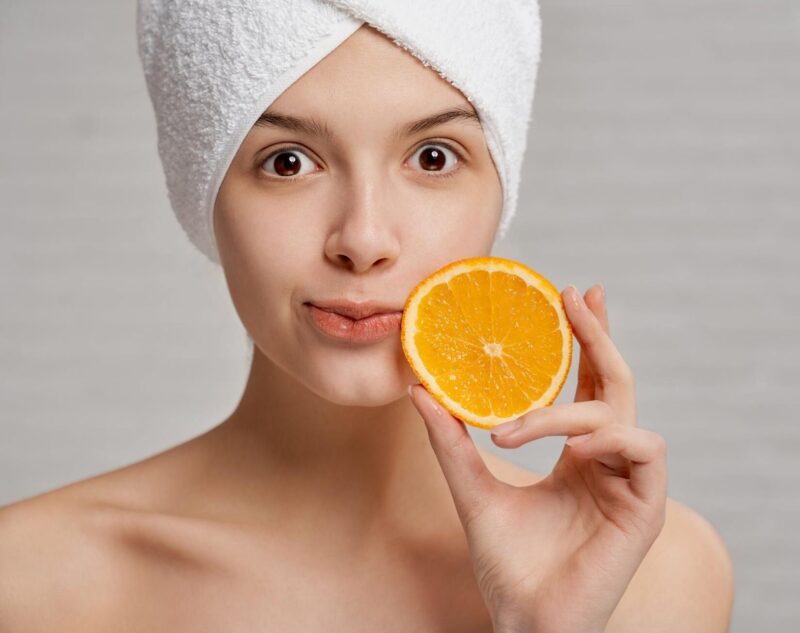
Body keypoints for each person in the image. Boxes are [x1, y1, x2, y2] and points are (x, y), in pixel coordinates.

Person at [0, 23, 733, 632]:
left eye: (433, 157)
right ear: (204, 190)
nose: (363, 236)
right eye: (288, 162)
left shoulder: (657, 579)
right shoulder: (30, 583)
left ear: (497, 190)